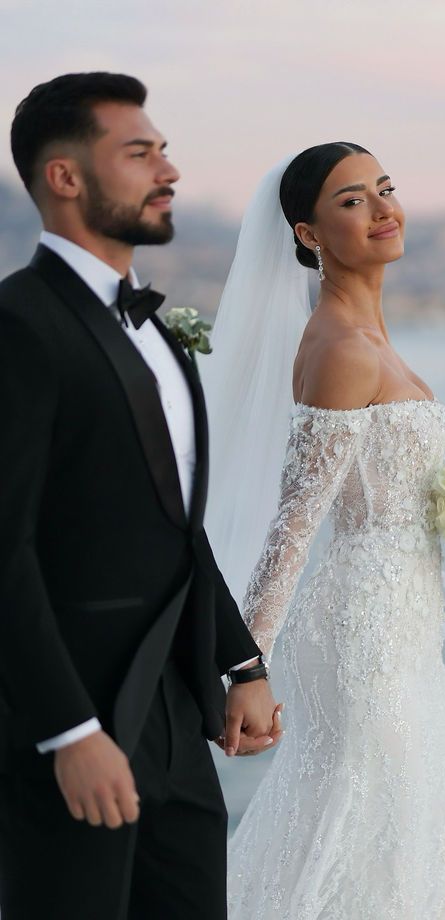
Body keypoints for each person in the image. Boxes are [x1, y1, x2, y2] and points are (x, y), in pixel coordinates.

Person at [207, 143, 445, 919]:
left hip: (404, 628)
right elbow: (294, 526)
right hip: (362, 635)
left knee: (409, 823)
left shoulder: (368, 337)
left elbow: (386, 498)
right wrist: (247, 668)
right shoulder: (344, 350)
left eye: (385, 189)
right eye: (352, 200)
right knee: (362, 820)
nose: (384, 209)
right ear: (309, 234)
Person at [0, 72, 282, 920]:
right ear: (66, 178)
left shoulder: (156, 328)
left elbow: (176, 527)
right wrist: (68, 733)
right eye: (140, 152)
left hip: (173, 715)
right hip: (69, 722)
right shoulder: (18, 326)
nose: (170, 170)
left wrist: (240, 661)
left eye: (163, 149)